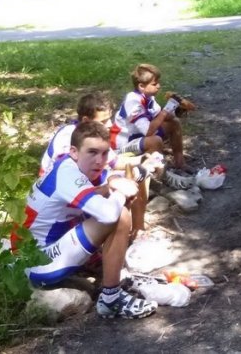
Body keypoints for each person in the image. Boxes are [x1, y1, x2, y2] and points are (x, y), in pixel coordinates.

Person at [20, 121, 158, 319]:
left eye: (104, 153)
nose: (99, 160)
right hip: (37, 263)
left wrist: (113, 184)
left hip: (37, 252)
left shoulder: (72, 166)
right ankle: (111, 299)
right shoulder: (68, 174)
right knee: (119, 215)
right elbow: (109, 214)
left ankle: (100, 267)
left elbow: (102, 187)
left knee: (105, 204)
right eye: (92, 152)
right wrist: (120, 192)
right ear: (74, 152)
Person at [40, 92, 160, 239]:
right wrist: (112, 184)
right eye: (104, 121)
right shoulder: (69, 137)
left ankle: (137, 229)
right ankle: (117, 235)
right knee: (120, 199)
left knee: (138, 174)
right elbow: (69, 174)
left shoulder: (93, 134)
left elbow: (115, 162)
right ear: (85, 120)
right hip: (62, 191)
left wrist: (144, 161)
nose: (110, 124)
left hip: (83, 178)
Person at [110, 63, 187, 170]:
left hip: (138, 137)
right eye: (154, 84)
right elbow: (148, 132)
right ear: (141, 86)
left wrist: (177, 109)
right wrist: (165, 111)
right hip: (123, 145)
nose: (159, 86)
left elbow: (161, 117)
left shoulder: (149, 98)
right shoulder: (132, 101)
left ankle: (180, 162)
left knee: (174, 122)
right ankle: (155, 172)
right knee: (155, 141)